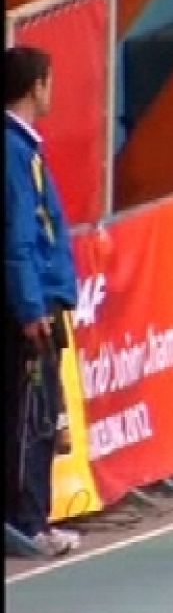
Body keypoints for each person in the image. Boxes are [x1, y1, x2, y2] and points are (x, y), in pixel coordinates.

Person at [4, 45, 80, 557]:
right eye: (50, 82)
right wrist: (32, 308)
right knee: (31, 416)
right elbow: (18, 237)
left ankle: (33, 518)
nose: (52, 92)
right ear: (36, 86)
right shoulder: (12, 151)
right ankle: (26, 523)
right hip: (30, 309)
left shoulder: (24, 148)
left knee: (41, 411)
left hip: (42, 297)